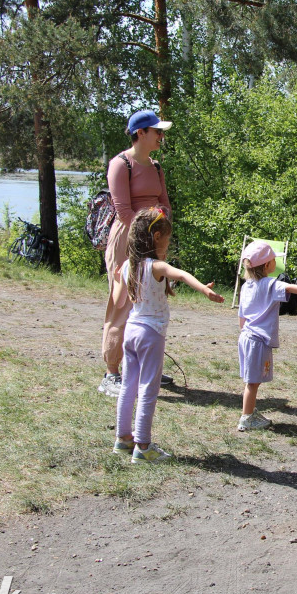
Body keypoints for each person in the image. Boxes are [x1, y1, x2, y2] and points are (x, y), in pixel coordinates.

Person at [111, 208, 225, 463]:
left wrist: (119, 277)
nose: (169, 243)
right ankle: (143, 446)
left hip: (131, 331)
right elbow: (182, 274)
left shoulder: (128, 266)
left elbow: (120, 302)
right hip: (151, 334)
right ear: (157, 236)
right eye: (168, 239)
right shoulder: (157, 265)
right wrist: (204, 292)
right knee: (148, 390)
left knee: (128, 387)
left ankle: (123, 439)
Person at [100, 109, 174, 398]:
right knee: (122, 305)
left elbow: (165, 203)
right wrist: (146, 239)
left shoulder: (156, 167)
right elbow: (123, 211)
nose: (161, 136)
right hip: (128, 241)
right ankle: (111, 373)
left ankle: (145, 366)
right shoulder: (120, 164)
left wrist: (162, 229)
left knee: (151, 304)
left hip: (153, 240)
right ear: (141, 133)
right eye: (157, 131)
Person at [238, 240, 297, 431]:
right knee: (252, 383)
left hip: (245, 337)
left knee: (252, 380)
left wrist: (244, 331)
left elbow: (242, 316)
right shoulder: (269, 284)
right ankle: (246, 418)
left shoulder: (246, 286)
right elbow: (288, 288)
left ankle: (250, 412)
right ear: (267, 265)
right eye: (273, 260)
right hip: (258, 341)